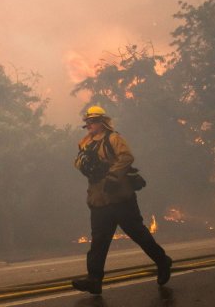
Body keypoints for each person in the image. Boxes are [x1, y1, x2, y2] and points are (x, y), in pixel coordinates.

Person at [72, 106, 172, 295]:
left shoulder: (113, 138)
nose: (89, 125)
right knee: (99, 241)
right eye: (87, 122)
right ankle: (94, 280)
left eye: (92, 121)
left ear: (102, 122)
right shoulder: (86, 142)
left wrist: (112, 175)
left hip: (120, 198)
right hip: (98, 200)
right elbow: (78, 161)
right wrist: (83, 164)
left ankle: (162, 261)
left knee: (139, 234)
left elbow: (127, 157)